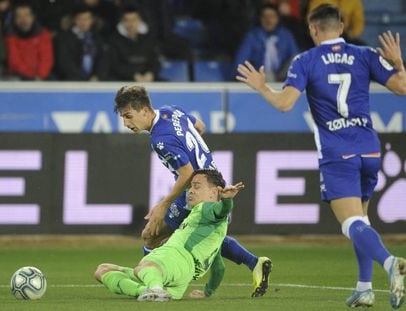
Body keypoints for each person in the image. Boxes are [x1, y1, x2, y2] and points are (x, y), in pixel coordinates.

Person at [236, 4, 406, 309]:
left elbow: (286, 104)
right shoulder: (364, 54)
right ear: (340, 27)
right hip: (370, 149)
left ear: (313, 30)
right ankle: (364, 288)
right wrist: (398, 63)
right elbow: (402, 87)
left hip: (337, 152)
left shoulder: (306, 60)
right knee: (362, 218)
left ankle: (390, 262)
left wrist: (262, 87)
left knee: (350, 222)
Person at [113, 85, 272, 298]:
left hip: (196, 189)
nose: (126, 123)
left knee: (151, 235)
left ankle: (151, 281)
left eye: (129, 116)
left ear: (144, 110)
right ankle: (255, 263)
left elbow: (186, 173)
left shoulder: (160, 139)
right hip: (211, 183)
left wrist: (164, 204)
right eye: (123, 117)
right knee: (206, 234)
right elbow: (200, 126)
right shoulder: (172, 111)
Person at [94, 169, 243, 301]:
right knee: (103, 270)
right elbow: (219, 268)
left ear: (214, 192)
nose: (191, 191)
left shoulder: (207, 208)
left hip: (177, 259)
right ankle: (148, 291)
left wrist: (226, 200)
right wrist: (208, 292)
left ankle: (156, 289)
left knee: (143, 268)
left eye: (197, 186)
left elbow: (222, 210)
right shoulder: (207, 230)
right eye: (190, 186)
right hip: (178, 275)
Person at [234, 3, 299, 82]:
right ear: (260, 19)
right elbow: (240, 62)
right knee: (268, 76)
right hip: (259, 78)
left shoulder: (286, 35)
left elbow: (296, 58)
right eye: (265, 17)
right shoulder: (252, 36)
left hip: (283, 78)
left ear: (278, 19)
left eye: (272, 16)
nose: (268, 20)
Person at [108, 6, 160, 82]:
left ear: (139, 20)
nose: (131, 23)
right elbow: (115, 65)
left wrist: (150, 73)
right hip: (123, 81)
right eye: (127, 20)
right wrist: (133, 75)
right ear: (122, 21)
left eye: (134, 20)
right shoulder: (114, 40)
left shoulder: (149, 39)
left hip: (148, 80)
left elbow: (156, 61)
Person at [54, 6, 108, 81]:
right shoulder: (64, 38)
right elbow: (65, 63)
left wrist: (97, 76)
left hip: (94, 81)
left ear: (92, 20)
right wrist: (84, 79)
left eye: (87, 19)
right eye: (80, 19)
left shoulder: (97, 38)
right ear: (74, 20)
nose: (83, 22)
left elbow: (103, 60)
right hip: (71, 81)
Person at [4, 2, 53, 80]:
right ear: (14, 19)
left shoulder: (43, 34)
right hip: (18, 77)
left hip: (41, 77)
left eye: (27, 15)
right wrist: (31, 78)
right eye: (19, 16)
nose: (23, 20)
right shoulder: (10, 36)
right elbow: (14, 61)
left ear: (33, 17)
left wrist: (39, 76)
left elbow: (46, 59)